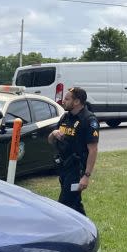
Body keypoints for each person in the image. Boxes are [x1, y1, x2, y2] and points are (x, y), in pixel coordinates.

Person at [48, 87, 98, 215]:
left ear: (76, 102)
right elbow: (50, 141)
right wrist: (53, 133)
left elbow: (93, 150)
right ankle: (88, 231)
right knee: (75, 205)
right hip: (63, 168)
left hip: (76, 170)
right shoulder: (65, 117)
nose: (63, 101)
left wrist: (86, 176)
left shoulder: (88, 120)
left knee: (63, 207)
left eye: (66, 98)